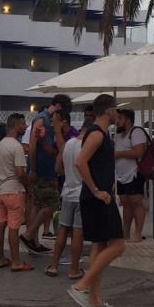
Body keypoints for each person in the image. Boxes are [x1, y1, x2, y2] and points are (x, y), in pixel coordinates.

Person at [68, 94, 124, 307]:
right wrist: (96, 190)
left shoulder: (100, 133)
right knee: (118, 245)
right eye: (116, 109)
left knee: (99, 246)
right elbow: (80, 161)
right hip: (98, 198)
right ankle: (81, 286)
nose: (118, 113)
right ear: (109, 111)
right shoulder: (97, 134)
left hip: (97, 197)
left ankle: (95, 298)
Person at [22, 94, 71, 254]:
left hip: (45, 168)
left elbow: (45, 146)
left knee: (37, 204)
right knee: (50, 203)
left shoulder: (46, 121)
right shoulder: (42, 120)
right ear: (58, 107)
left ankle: (33, 241)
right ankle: (30, 236)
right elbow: (33, 146)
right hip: (42, 170)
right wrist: (33, 169)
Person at [47, 113, 88, 279]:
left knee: (62, 230)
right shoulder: (87, 146)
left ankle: (54, 266)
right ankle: (74, 269)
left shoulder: (67, 144)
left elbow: (57, 168)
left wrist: (70, 174)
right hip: (81, 193)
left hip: (67, 192)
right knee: (78, 232)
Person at [0, 113, 32, 272]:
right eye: (23, 124)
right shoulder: (17, 147)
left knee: (0, 224)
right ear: (15, 125)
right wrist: (28, 186)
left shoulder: (0, 145)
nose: (25, 127)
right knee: (14, 227)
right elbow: (20, 172)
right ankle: (16, 262)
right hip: (14, 190)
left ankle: (0, 258)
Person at [114, 109, 149, 243]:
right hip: (121, 175)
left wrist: (119, 154)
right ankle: (126, 232)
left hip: (134, 173)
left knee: (136, 203)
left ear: (128, 120)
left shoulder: (136, 132)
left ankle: (138, 233)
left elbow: (138, 152)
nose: (117, 121)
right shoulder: (119, 135)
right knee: (125, 203)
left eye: (120, 118)